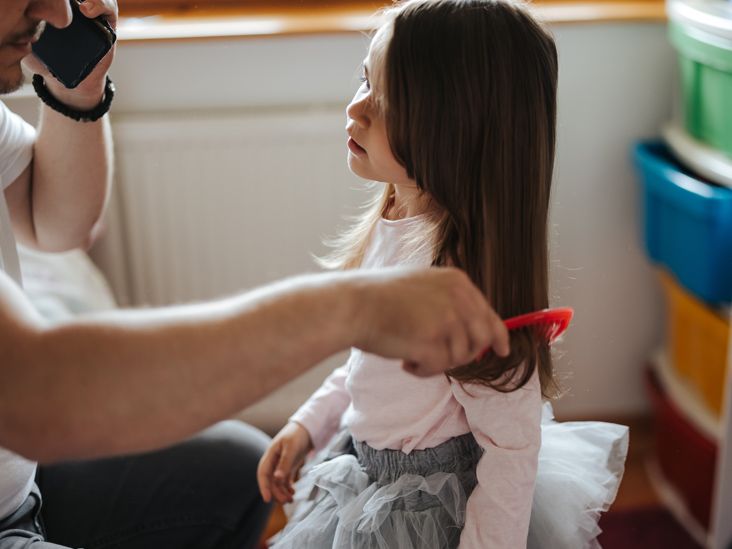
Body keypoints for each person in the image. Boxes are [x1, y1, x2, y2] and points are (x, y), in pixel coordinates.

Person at [0, 1, 513, 548]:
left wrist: (78, 90)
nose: (56, 8)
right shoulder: (391, 241)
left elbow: (55, 227)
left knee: (238, 468)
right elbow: (31, 395)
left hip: (20, 481)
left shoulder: (463, 265)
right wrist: (353, 310)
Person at [257, 1, 629, 547]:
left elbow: (511, 450)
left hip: (432, 515)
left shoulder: (465, 287)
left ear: (454, 131)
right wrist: (310, 422)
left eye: (385, 104)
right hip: (363, 472)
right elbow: (370, 364)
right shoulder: (392, 221)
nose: (356, 109)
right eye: (364, 80)